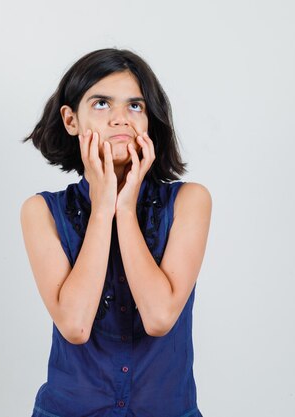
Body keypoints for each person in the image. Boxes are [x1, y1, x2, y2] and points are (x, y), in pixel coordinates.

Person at [20, 48, 211, 417]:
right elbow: (75, 325)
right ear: (71, 120)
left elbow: (159, 318)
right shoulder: (40, 212)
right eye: (102, 104)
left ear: (150, 121)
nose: (121, 119)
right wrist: (102, 206)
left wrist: (124, 207)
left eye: (135, 106)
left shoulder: (190, 201)